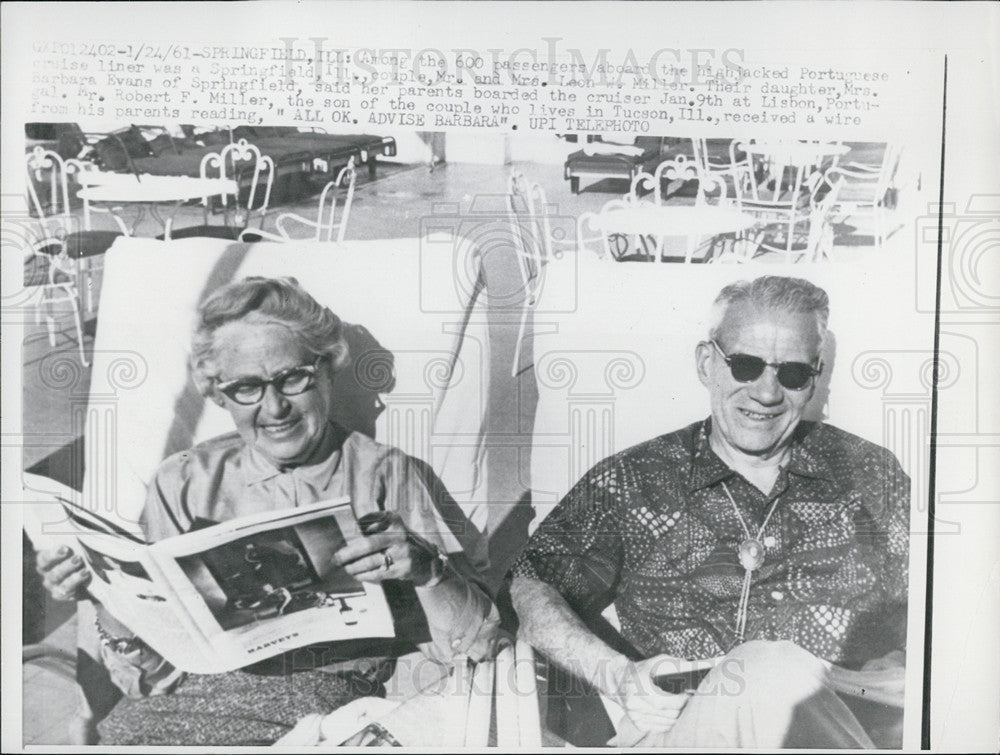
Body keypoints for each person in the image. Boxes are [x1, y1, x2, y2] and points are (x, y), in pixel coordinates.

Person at [36, 276, 500, 745]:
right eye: (247, 388)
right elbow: (154, 680)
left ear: (326, 370)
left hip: (320, 710)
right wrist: (101, 596)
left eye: (293, 378)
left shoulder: (385, 475)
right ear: (219, 395)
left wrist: (429, 572)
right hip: (181, 707)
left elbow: (485, 646)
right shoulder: (183, 481)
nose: (275, 407)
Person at [509, 275, 910, 748]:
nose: (766, 393)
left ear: (814, 379)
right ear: (707, 364)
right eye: (745, 365)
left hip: (851, 722)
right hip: (687, 730)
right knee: (768, 672)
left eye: (793, 373)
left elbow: (945, 607)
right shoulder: (636, 479)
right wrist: (618, 676)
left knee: (781, 674)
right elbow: (533, 588)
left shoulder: (869, 474)